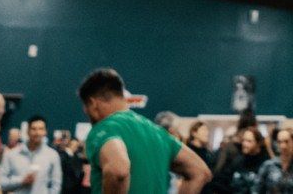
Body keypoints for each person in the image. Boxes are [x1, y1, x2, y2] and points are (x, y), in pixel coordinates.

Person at [77, 68, 210, 194]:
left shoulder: (104, 128)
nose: (85, 112)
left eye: (85, 107)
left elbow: (118, 170)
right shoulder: (159, 133)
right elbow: (200, 172)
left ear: (92, 103)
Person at [0, 116, 61, 194]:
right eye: (34, 129)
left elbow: (56, 185)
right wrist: (21, 180)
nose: (37, 133)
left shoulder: (53, 155)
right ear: (27, 131)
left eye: (41, 129)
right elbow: (1, 182)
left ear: (45, 132)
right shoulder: (11, 155)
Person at [255, 128, 293, 193]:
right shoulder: (269, 165)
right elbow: (257, 189)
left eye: (286, 141)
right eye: (279, 142)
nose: (283, 146)